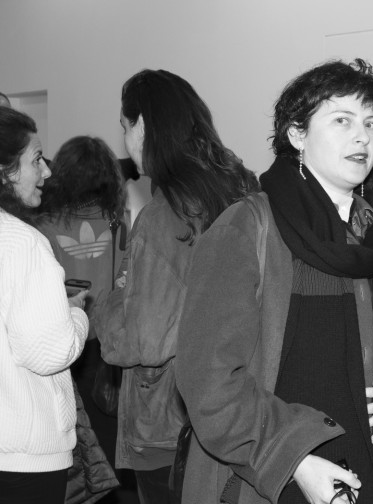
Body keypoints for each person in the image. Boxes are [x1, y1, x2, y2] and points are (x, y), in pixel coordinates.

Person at [177, 59, 373, 504]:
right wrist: (295, 460)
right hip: (272, 473)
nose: (363, 136)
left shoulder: (372, 233)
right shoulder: (245, 228)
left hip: (365, 465)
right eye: (342, 120)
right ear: (297, 134)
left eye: (371, 124)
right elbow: (208, 381)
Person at [93, 69, 259, 504]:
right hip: (235, 412)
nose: (124, 140)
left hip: (169, 427)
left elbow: (143, 341)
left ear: (144, 126)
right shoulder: (243, 191)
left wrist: (106, 305)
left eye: (125, 126)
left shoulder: (163, 215)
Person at [0, 107, 89, 504]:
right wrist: (76, 315)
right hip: (22, 456)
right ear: (5, 171)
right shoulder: (23, 242)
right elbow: (49, 352)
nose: (47, 171)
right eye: (36, 159)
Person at [34, 136, 129, 503]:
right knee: (108, 437)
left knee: (74, 445)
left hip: (63, 342)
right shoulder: (118, 222)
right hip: (106, 345)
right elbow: (126, 281)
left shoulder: (43, 225)